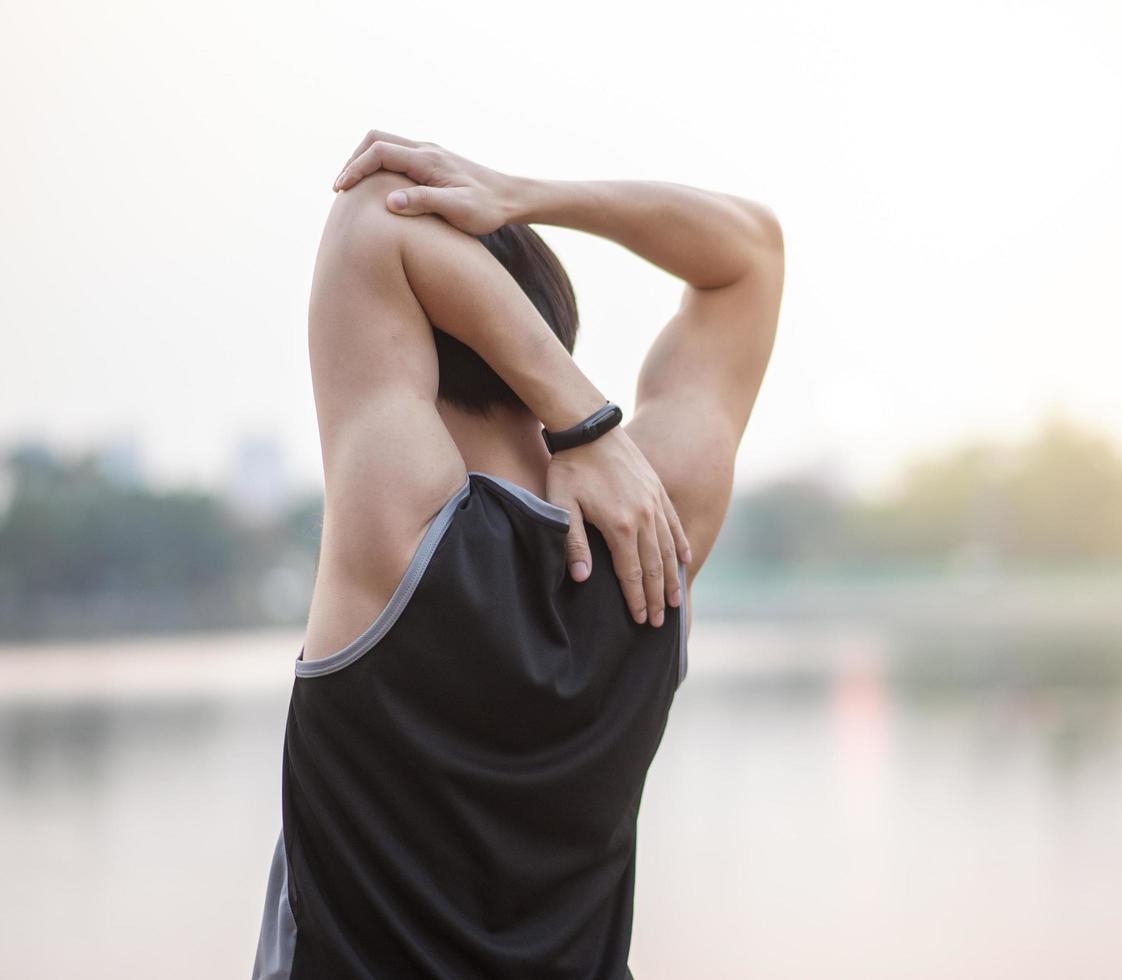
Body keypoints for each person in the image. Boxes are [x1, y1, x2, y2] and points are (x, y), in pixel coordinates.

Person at [252, 131, 783, 979]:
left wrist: (583, 419)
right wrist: (524, 195)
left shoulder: (404, 532)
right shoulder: (657, 528)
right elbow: (749, 252)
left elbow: (371, 217)